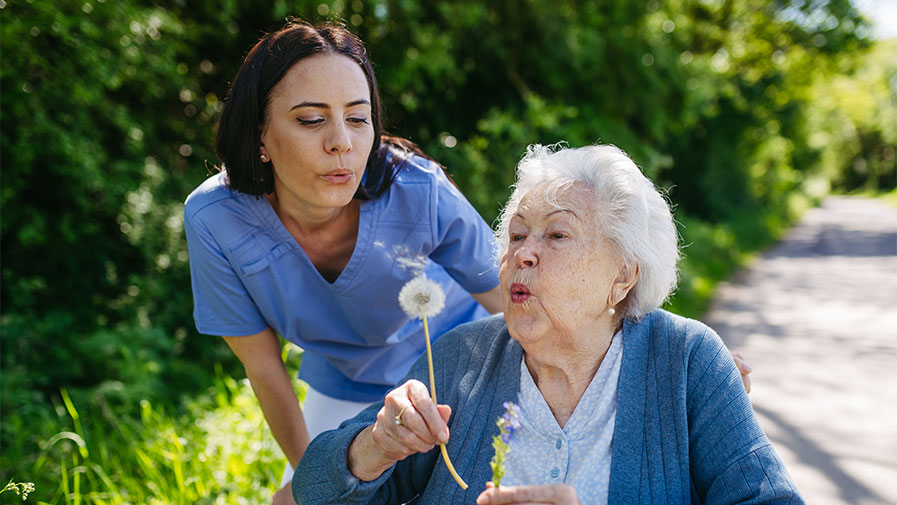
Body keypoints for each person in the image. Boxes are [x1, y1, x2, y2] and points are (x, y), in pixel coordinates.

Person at [292, 144, 800, 504]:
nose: (523, 255)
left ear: (622, 276)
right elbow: (312, 489)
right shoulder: (460, 357)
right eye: (516, 236)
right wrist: (375, 447)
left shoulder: (688, 361)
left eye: (556, 236)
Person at [183, 19, 504, 505]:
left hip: (454, 376)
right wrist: (319, 478)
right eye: (311, 120)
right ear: (260, 136)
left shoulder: (421, 191)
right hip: (344, 384)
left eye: (357, 118)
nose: (342, 143)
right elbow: (263, 365)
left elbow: (516, 306)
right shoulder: (214, 218)